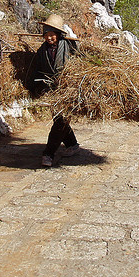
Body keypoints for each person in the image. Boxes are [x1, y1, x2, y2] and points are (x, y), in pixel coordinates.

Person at [33, 14, 80, 167]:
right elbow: (39, 69)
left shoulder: (68, 46)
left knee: (60, 121)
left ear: (58, 35)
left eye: (52, 34)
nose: (49, 38)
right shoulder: (42, 51)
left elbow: (80, 62)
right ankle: (72, 144)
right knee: (59, 120)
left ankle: (48, 154)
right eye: (46, 34)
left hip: (68, 89)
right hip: (53, 90)